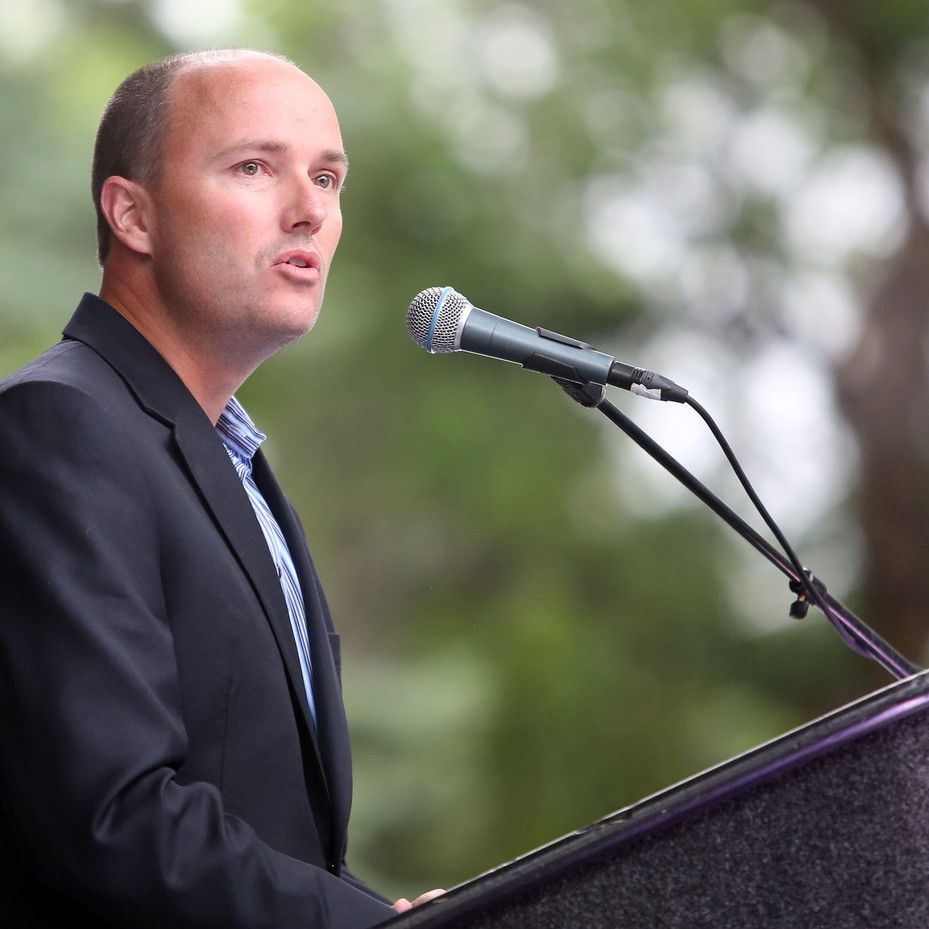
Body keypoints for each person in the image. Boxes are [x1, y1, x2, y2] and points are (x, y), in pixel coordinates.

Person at [0, 49, 441, 927]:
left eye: (327, 177)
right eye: (253, 168)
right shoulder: (58, 425)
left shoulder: (233, 464)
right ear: (132, 214)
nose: (309, 209)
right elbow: (112, 815)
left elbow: (274, 832)